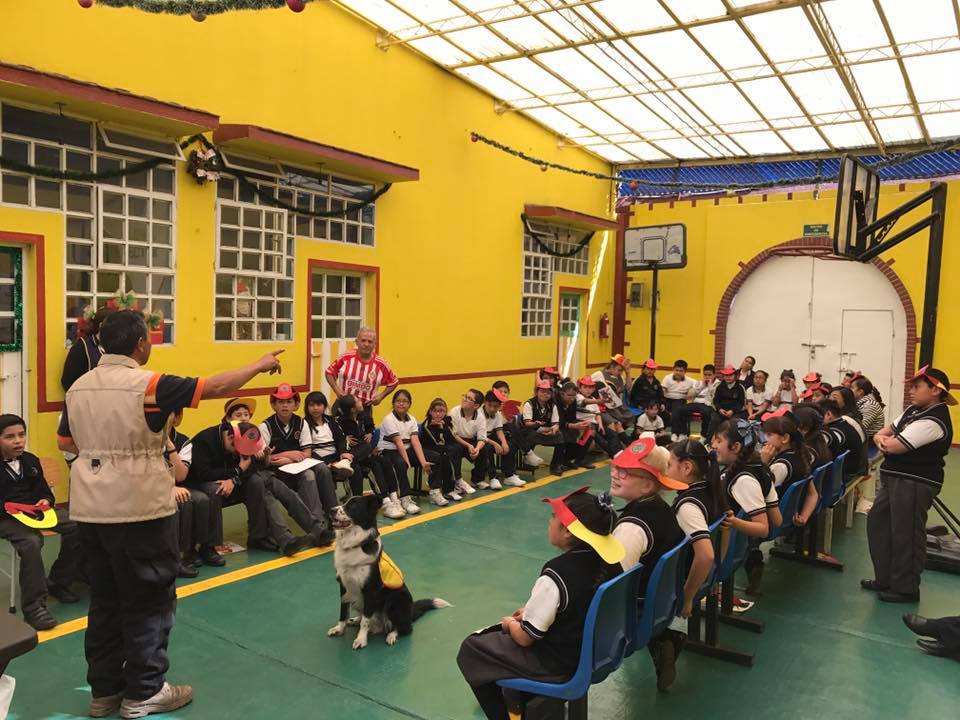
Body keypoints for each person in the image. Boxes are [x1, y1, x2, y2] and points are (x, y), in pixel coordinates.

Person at [57, 309, 283, 717]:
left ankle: (104, 692)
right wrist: (260, 364)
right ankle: (144, 690)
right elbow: (215, 386)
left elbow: (66, 443)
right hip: (140, 508)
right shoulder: (150, 386)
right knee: (149, 597)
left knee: (105, 600)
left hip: (90, 510)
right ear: (141, 344)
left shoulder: (77, 389)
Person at [456, 486, 623, 720]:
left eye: (554, 516)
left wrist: (510, 624)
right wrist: (534, 613)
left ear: (566, 531)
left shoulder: (556, 573)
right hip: (599, 650)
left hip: (560, 662)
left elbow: (526, 638)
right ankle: (523, 701)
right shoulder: (612, 561)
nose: (549, 521)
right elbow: (581, 605)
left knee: (472, 649)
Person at [864, 366, 954, 603]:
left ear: (935, 390)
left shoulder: (934, 419)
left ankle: (906, 588)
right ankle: (885, 578)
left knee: (907, 535)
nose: (911, 390)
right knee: (879, 523)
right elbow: (882, 434)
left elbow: (893, 445)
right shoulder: (914, 411)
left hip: (914, 482)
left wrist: (885, 441)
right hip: (895, 477)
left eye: (917, 386)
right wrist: (883, 439)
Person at [608, 438, 686, 690]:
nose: (616, 474)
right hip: (662, 604)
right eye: (617, 467)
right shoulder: (661, 508)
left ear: (647, 485)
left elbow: (613, 582)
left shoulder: (632, 528)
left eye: (626, 472)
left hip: (635, 612)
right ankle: (663, 639)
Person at [1, 414, 82, 631]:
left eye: (21, 435)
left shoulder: (30, 460)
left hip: (37, 512)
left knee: (79, 524)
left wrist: (47, 499)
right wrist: (15, 512)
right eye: (10, 437)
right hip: (6, 518)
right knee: (31, 543)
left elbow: (44, 491)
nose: (18, 440)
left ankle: (59, 581)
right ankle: (34, 608)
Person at [260, 383, 338, 538]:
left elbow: (307, 452)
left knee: (322, 469)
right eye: (280, 402)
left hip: (297, 466)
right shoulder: (265, 426)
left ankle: (334, 516)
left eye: (289, 402)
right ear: (273, 404)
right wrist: (290, 455)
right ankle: (317, 524)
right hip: (276, 471)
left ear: (296, 405)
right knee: (309, 475)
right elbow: (265, 459)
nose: (285, 406)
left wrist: (290, 458)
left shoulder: (301, 423)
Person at [712, 418, 781, 591]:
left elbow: (763, 528)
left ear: (735, 447)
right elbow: (777, 520)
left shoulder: (743, 480)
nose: (713, 445)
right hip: (738, 546)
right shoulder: (761, 468)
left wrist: (733, 522)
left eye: (719, 441)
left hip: (721, 549)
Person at [166, 409, 222, 579]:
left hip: (183, 485)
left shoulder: (184, 442)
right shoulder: (146, 440)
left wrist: (169, 446)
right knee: (182, 503)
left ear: (177, 418)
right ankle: (181, 554)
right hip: (157, 487)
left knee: (203, 498)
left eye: (167, 414)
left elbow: (181, 475)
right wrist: (169, 487)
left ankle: (206, 547)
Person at [324, 326, 399, 427]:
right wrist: (337, 390)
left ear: (375, 344)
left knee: (363, 440)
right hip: (342, 406)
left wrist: (381, 396)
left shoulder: (381, 364)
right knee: (337, 437)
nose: (366, 344)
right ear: (357, 342)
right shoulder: (346, 357)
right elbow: (329, 372)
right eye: (363, 341)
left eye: (370, 341)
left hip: (364, 410)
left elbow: (394, 382)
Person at [376, 389, 431, 518]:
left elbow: (415, 442)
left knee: (435, 457)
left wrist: (423, 463)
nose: (401, 404)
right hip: (388, 450)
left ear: (410, 404)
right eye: (398, 401)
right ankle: (405, 498)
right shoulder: (389, 419)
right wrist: (407, 462)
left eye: (405, 401)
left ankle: (435, 491)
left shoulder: (411, 419)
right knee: (401, 463)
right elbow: (398, 443)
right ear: (393, 403)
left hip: (405, 448)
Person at [761, 409, 817, 526]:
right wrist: (804, 517)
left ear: (785, 438)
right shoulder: (801, 456)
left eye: (769, 435)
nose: (764, 440)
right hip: (787, 518)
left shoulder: (780, 467)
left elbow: (757, 493)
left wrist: (763, 463)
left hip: (770, 522)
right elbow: (813, 494)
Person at [332, 394, 383, 497]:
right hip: (349, 452)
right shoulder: (340, 421)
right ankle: (357, 499)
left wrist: (370, 433)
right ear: (352, 409)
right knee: (356, 467)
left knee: (375, 461)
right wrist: (345, 438)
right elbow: (336, 437)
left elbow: (371, 427)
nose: (361, 400)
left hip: (361, 453)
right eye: (358, 400)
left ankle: (384, 496)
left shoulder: (363, 415)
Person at [300, 390, 354, 482]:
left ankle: (357, 496)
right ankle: (338, 465)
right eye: (312, 405)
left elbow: (340, 438)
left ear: (324, 406)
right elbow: (307, 450)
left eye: (319, 405)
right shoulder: (303, 424)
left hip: (336, 455)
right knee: (326, 470)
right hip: (318, 459)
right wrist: (326, 463)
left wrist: (342, 452)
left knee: (359, 459)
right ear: (307, 407)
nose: (315, 408)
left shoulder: (331, 420)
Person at [60, 305, 115, 392]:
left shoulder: (116, 347)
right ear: (101, 325)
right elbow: (67, 382)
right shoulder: (82, 346)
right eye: (115, 326)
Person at [478, 389, 522, 490]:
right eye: (490, 406)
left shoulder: (497, 414)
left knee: (510, 445)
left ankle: (509, 475)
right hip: (479, 440)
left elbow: (499, 430)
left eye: (496, 406)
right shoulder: (478, 414)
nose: (493, 409)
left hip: (489, 437)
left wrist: (504, 442)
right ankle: (493, 477)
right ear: (485, 402)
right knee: (488, 448)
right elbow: (480, 436)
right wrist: (495, 444)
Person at [449, 389, 489, 496]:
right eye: (465, 396)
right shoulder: (455, 411)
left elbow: (482, 438)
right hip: (456, 441)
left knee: (483, 450)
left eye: (469, 398)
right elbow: (453, 434)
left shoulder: (480, 417)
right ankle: (457, 480)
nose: (464, 399)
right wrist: (468, 445)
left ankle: (477, 479)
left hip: (471, 442)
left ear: (476, 406)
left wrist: (477, 449)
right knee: (455, 449)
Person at [420, 398, 458, 505]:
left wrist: (444, 427)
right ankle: (438, 489)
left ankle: (452, 487)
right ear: (430, 411)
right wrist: (438, 428)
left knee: (453, 451)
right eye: (435, 411)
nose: (438, 414)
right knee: (442, 456)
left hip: (440, 449)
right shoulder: (427, 425)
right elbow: (436, 442)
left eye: (441, 411)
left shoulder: (446, 422)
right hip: (427, 449)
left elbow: (451, 439)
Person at [517, 379, 562, 468]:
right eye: (542, 391)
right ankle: (527, 460)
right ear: (537, 392)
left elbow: (556, 423)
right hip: (532, 431)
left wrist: (553, 430)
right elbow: (527, 423)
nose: (545, 394)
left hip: (547, 431)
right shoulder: (529, 404)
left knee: (560, 436)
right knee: (530, 434)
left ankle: (556, 465)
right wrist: (536, 424)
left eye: (548, 392)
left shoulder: (553, 405)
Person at [671, 364, 717, 442]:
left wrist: (710, 386)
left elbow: (714, 398)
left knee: (706, 413)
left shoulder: (718, 384)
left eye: (710, 375)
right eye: (705, 375)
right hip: (696, 403)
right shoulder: (699, 382)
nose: (707, 377)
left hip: (708, 404)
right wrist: (702, 386)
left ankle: (703, 435)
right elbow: (690, 396)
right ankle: (682, 433)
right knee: (679, 409)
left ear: (714, 374)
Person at [555, 382, 593, 474]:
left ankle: (571, 459)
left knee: (589, 431)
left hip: (566, 424)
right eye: (569, 395)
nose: (572, 398)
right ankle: (557, 464)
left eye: (574, 396)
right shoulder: (555, 401)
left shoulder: (573, 401)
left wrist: (581, 424)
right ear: (562, 393)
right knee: (565, 434)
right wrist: (574, 426)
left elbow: (572, 418)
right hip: (554, 425)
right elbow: (558, 421)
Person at [591, 354, 634, 428]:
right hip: (605, 405)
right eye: (619, 370)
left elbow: (628, 388)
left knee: (630, 416)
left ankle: (621, 432)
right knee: (619, 417)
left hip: (617, 404)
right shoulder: (599, 374)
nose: (620, 373)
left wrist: (628, 373)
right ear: (612, 367)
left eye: (622, 371)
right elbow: (589, 387)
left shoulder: (620, 377)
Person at [710, 366, 746, 437]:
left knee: (733, 423)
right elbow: (715, 401)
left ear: (735, 376)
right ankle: (710, 441)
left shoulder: (740, 388)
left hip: (735, 412)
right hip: (720, 411)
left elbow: (741, 403)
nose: (728, 377)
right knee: (715, 420)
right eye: (726, 375)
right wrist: (719, 409)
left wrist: (732, 411)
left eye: (730, 375)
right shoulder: (719, 387)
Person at [661, 360, 695, 426]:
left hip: (680, 400)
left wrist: (691, 391)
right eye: (676, 370)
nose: (678, 373)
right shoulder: (667, 378)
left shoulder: (690, 381)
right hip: (666, 399)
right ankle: (661, 430)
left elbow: (698, 386)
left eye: (681, 371)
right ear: (673, 370)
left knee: (678, 409)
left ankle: (676, 432)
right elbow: (662, 391)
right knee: (660, 409)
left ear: (685, 372)